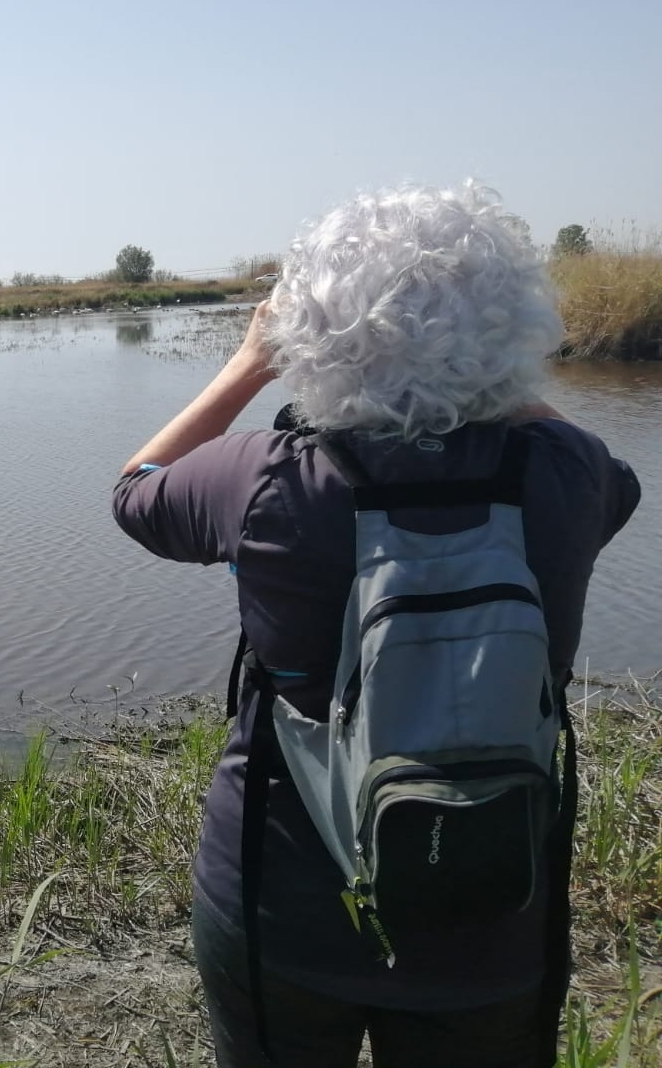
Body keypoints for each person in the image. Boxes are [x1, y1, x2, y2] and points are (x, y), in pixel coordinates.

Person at [111, 182, 640, 1068]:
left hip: (281, 901)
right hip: (493, 905)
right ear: (516, 319)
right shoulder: (567, 475)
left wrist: (248, 363)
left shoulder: (268, 479)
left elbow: (137, 491)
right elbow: (614, 473)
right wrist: (496, 378)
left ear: (311, 329)